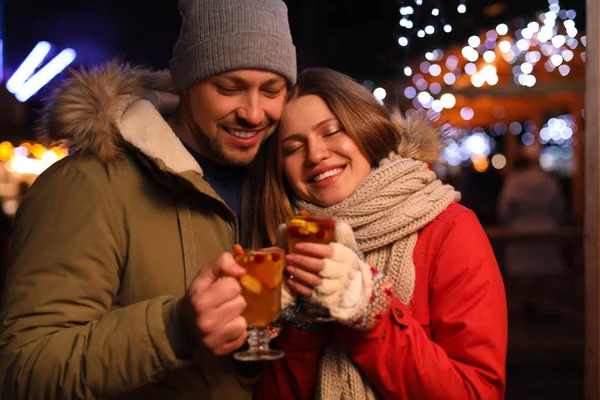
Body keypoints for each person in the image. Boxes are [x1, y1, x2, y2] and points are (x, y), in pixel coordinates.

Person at [0, 0, 296, 399]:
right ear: (187, 82)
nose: (254, 113)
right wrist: (176, 327)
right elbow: (25, 369)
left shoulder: (281, 180)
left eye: (273, 90)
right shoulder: (88, 183)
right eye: (229, 87)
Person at [252, 68, 508, 399]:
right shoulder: (288, 240)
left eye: (332, 132)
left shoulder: (448, 228)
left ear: (365, 129)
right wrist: (299, 327)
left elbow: (477, 393)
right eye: (293, 147)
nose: (315, 155)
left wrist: (369, 311)